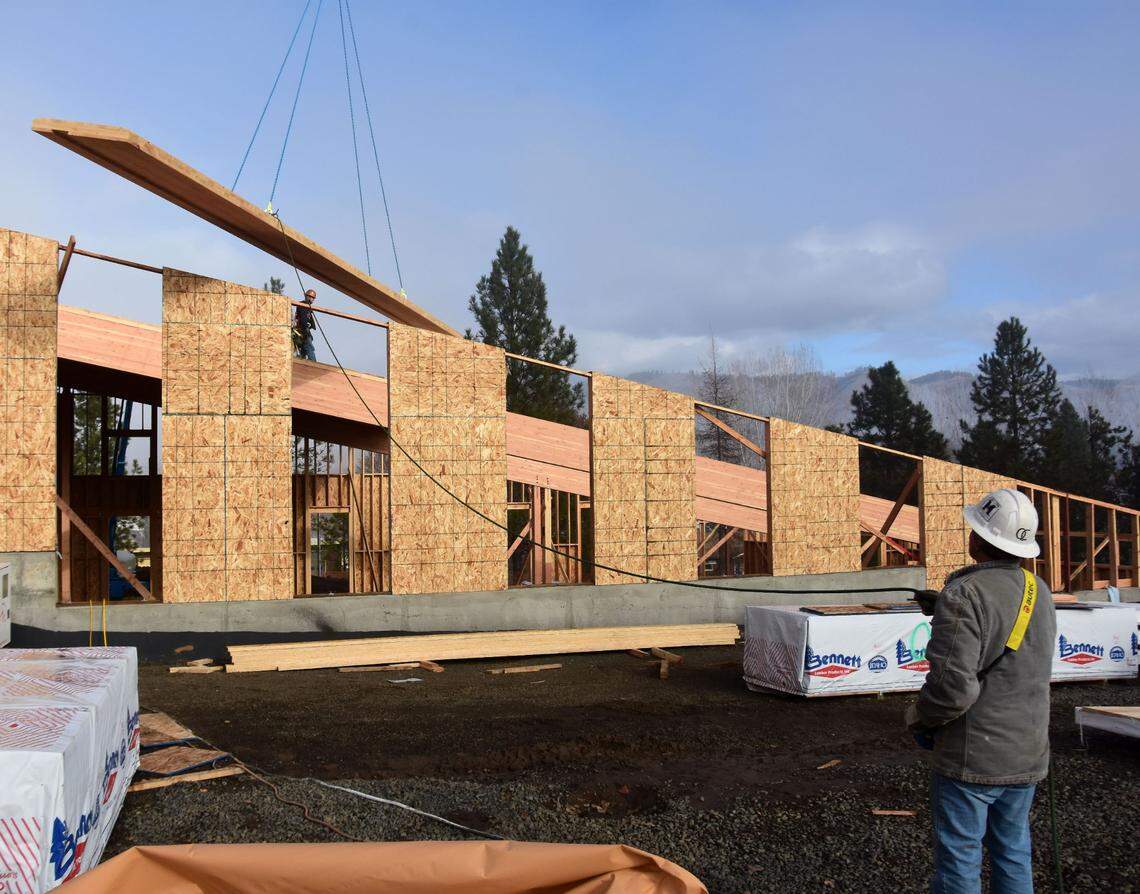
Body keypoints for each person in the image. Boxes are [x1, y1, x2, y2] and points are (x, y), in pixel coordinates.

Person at [907, 487, 1056, 894]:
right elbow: (1011, 644)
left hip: (975, 756)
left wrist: (920, 719)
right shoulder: (1038, 590)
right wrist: (944, 608)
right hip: (1026, 749)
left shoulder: (965, 594)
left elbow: (952, 690)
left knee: (960, 860)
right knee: (1013, 852)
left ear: (978, 539)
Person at [293, 288, 317, 360]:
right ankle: (314, 365)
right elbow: (303, 320)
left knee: (303, 350)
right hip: (303, 331)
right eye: (310, 296)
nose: (311, 299)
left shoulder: (307, 307)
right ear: (306, 296)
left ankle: (303, 364)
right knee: (309, 348)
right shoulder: (303, 305)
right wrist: (306, 331)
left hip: (302, 331)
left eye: (313, 297)